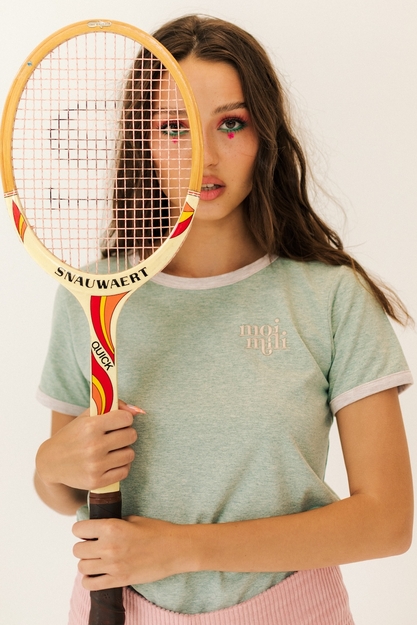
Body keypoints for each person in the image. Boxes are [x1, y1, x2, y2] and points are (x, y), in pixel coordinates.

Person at [34, 14, 413, 625]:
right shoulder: (92, 292)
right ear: (142, 139)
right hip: (113, 611)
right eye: (173, 127)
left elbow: (388, 522)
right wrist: (50, 466)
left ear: (264, 134)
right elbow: (68, 490)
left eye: (230, 123)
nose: (203, 156)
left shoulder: (331, 297)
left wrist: (182, 550)